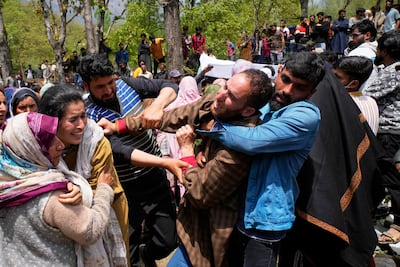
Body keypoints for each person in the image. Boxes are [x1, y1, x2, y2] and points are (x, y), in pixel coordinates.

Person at [98, 69, 274, 267]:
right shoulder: (214, 105)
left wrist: (187, 150)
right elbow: (174, 117)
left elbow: (199, 192)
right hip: (191, 223)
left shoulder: (240, 148)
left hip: (211, 231)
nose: (221, 94)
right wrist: (119, 126)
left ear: (248, 111)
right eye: (225, 85)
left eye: (231, 96)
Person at [191, 52, 326, 266]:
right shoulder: (265, 103)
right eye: (286, 80)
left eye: (300, 87)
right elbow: (229, 115)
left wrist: (211, 128)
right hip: (236, 210)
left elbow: (253, 140)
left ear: (312, 91)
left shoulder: (305, 116)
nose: (287, 90)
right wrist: (202, 146)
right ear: (279, 70)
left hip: (265, 218)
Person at [39, 84, 189, 264]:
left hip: (109, 205)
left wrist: (69, 192)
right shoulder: (37, 147)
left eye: (83, 116)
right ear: (53, 122)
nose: (81, 125)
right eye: (73, 119)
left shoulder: (95, 141)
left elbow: (115, 160)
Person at [78, 54, 179, 267]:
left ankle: (147, 253)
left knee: (168, 240)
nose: (108, 90)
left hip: (155, 179)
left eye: (110, 82)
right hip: (124, 187)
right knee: (127, 246)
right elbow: (121, 151)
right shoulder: (88, 115)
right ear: (86, 86)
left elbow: (169, 85)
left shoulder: (127, 85)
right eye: (100, 87)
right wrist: (166, 163)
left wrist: (157, 105)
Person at [0, 112, 122, 266]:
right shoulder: (52, 197)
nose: (61, 145)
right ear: (29, 147)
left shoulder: (6, 184)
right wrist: (104, 190)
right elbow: (90, 230)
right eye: (48, 141)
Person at [363, 31, 400, 245]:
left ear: (385, 51)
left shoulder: (394, 72)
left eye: (378, 48)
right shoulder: (388, 69)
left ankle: (398, 225)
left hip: (390, 131)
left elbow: (370, 92)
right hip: (386, 131)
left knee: (391, 179)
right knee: (377, 174)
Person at [332, 56, 379, 135]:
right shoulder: (371, 101)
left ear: (353, 84)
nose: (331, 80)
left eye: (337, 77)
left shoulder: (340, 104)